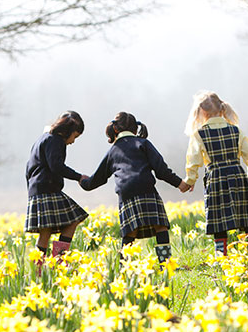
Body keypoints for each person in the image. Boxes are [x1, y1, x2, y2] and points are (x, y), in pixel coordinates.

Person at [80, 112, 190, 264]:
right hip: (145, 187)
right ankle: (165, 263)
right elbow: (161, 170)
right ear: (135, 129)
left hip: (126, 191)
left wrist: (83, 181)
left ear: (115, 130)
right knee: (160, 226)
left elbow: (97, 179)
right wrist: (180, 183)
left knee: (130, 231)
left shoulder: (113, 150)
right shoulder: (143, 143)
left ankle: (124, 264)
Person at [182, 91, 248, 255]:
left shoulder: (199, 134)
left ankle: (221, 256)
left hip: (216, 177)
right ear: (221, 109)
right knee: (246, 215)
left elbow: (193, 159)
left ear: (202, 112)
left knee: (219, 220)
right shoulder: (236, 131)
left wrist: (190, 180)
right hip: (237, 174)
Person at [25, 111, 89, 261]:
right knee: (74, 220)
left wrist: (32, 190)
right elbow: (57, 166)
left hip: (37, 189)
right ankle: (59, 262)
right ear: (68, 130)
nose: (73, 141)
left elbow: (29, 168)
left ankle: (37, 271)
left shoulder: (42, 139)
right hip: (48, 189)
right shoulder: (55, 140)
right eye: (75, 136)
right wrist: (79, 177)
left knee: (45, 233)